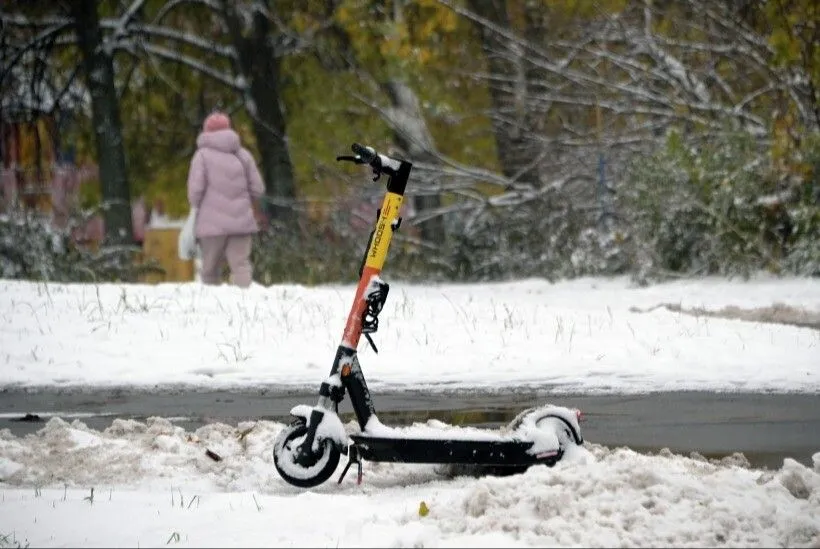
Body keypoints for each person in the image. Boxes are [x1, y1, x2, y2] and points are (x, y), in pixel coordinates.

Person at [186, 111, 265, 288]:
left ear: (206, 131)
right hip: (241, 222)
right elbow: (258, 189)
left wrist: (196, 206)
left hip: (211, 225)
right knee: (241, 266)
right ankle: (245, 305)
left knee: (209, 269)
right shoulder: (243, 155)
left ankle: (212, 307)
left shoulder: (202, 156)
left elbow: (195, 192)